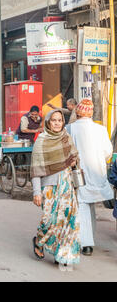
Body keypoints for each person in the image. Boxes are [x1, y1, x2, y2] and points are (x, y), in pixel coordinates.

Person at [31, 109, 80, 271]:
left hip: (67, 185)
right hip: (50, 187)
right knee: (49, 220)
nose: (57, 123)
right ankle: (39, 240)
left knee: (67, 221)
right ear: (48, 123)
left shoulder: (66, 137)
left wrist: (74, 162)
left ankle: (62, 253)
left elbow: (75, 158)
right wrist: (37, 192)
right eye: (54, 120)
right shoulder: (42, 141)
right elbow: (36, 169)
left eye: (60, 120)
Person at [66, 99, 114, 257]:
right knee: (91, 206)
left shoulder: (70, 128)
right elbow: (108, 152)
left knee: (83, 207)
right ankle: (89, 239)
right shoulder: (101, 129)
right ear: (91, 113)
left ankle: (86, 244)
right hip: (98, 174)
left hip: (80, 175)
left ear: (78, 112)